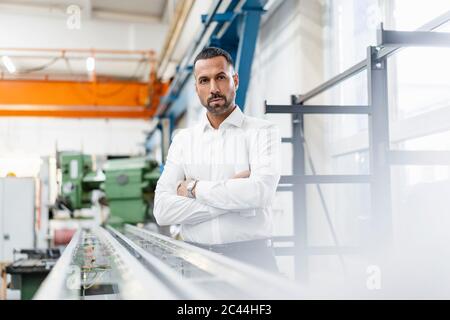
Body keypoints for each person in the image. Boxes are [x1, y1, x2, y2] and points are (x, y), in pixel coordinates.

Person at [153, 47, 281, 273]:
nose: (213, 88)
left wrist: (193, 188)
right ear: (196, 88)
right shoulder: (183, 140)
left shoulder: (263, 132)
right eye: (204, 80)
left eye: (220, 77)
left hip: (253, 262)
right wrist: (234, 200)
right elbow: (162, 211)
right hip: (196, 261)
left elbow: (261, 193)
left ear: (235, 80)